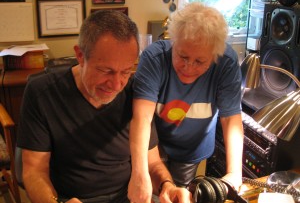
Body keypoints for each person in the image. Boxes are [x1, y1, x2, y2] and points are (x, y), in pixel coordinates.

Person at [17, 10, 192, 203]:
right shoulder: (42, 93)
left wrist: (167, 185)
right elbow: (34, 171)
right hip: (70, 198)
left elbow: (152, 163)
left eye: (126, 71)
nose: (116, 85)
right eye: (105, 71)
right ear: (80, 55)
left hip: (128, 196)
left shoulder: (138, 94)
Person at [128, 2, 244, 202]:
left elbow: (231, 120)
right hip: (153, 145)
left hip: (191, 150)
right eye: (182, 56)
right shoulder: (154, 59)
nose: (188, 67)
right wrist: (140, 174)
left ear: (215, 56)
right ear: (173, 42)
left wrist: (234, 172)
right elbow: (141, 118)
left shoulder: (227, 63)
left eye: (200, 61)